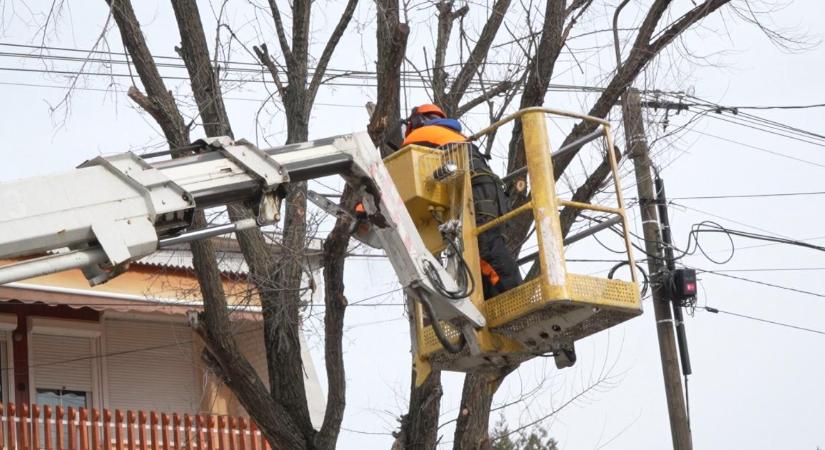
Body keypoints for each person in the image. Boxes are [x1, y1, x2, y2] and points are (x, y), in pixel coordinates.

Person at [401, 104, 522, 299]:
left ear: (417, 121)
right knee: (477, 252)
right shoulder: (452, 135)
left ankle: (514, 296)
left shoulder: (419, 135)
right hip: (488, 190)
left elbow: (396, 174)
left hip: (474, 190)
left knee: (484, 248)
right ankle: (494, 301)